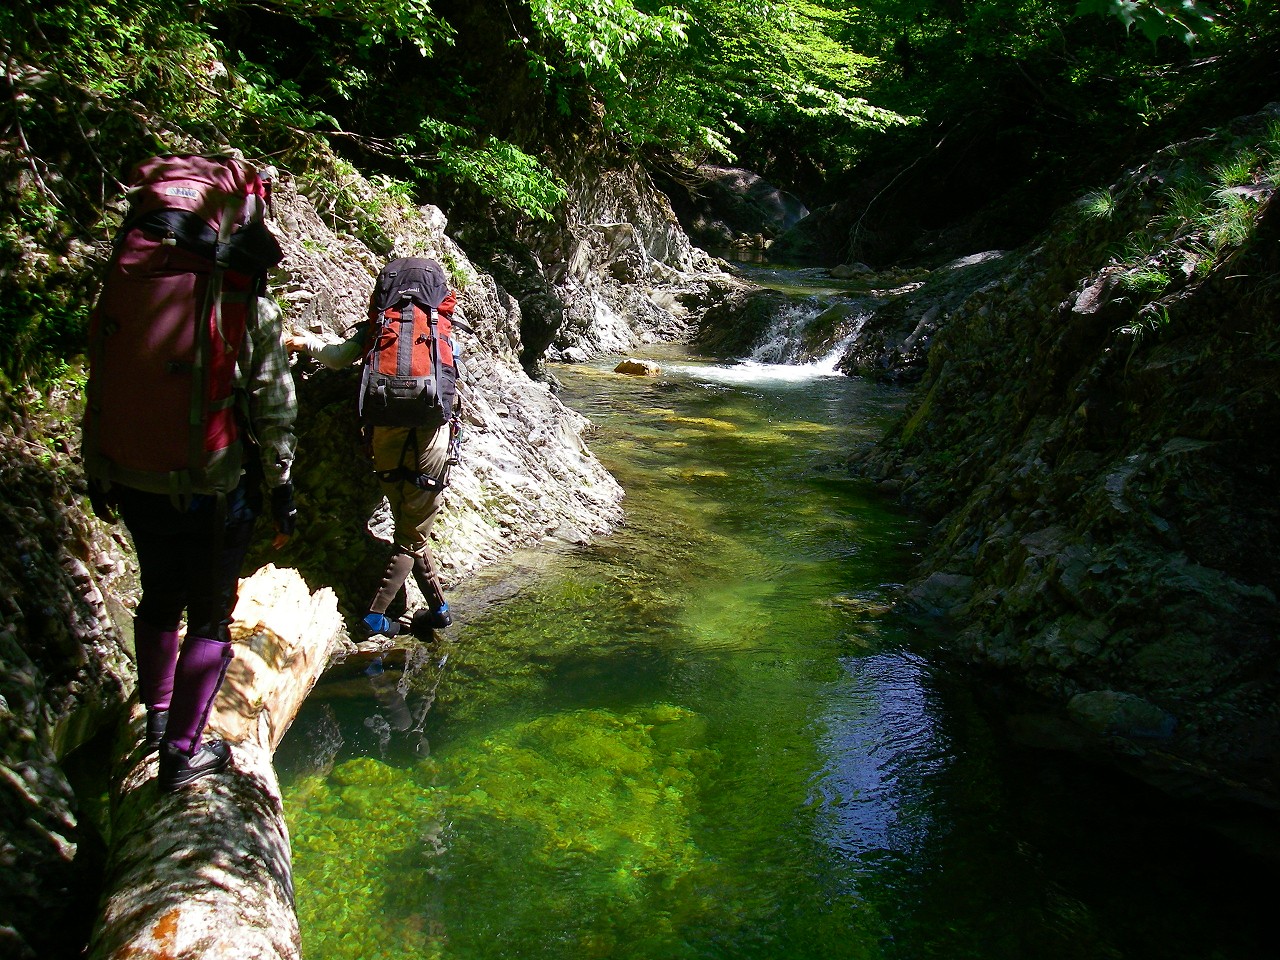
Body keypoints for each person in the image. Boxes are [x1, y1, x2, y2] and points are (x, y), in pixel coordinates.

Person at [91, 296, 299, 791]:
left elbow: (101, 381)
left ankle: (158, 718)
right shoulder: (247, 307)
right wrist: (281, 488)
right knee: (209, 616)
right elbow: (274, 405)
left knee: (160, 594)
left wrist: (96, 467)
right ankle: (181, 754)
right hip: (218, 485)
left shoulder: (138, 290)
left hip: (137, 477)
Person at [284, 272, 457, 640]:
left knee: (410, 528)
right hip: (429, 439)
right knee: (412, 534)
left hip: (384, 437)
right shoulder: (441, 333)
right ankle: (375, 617)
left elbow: (336, 358)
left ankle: (439, 610)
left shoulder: (377, 329)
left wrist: (301, 343)